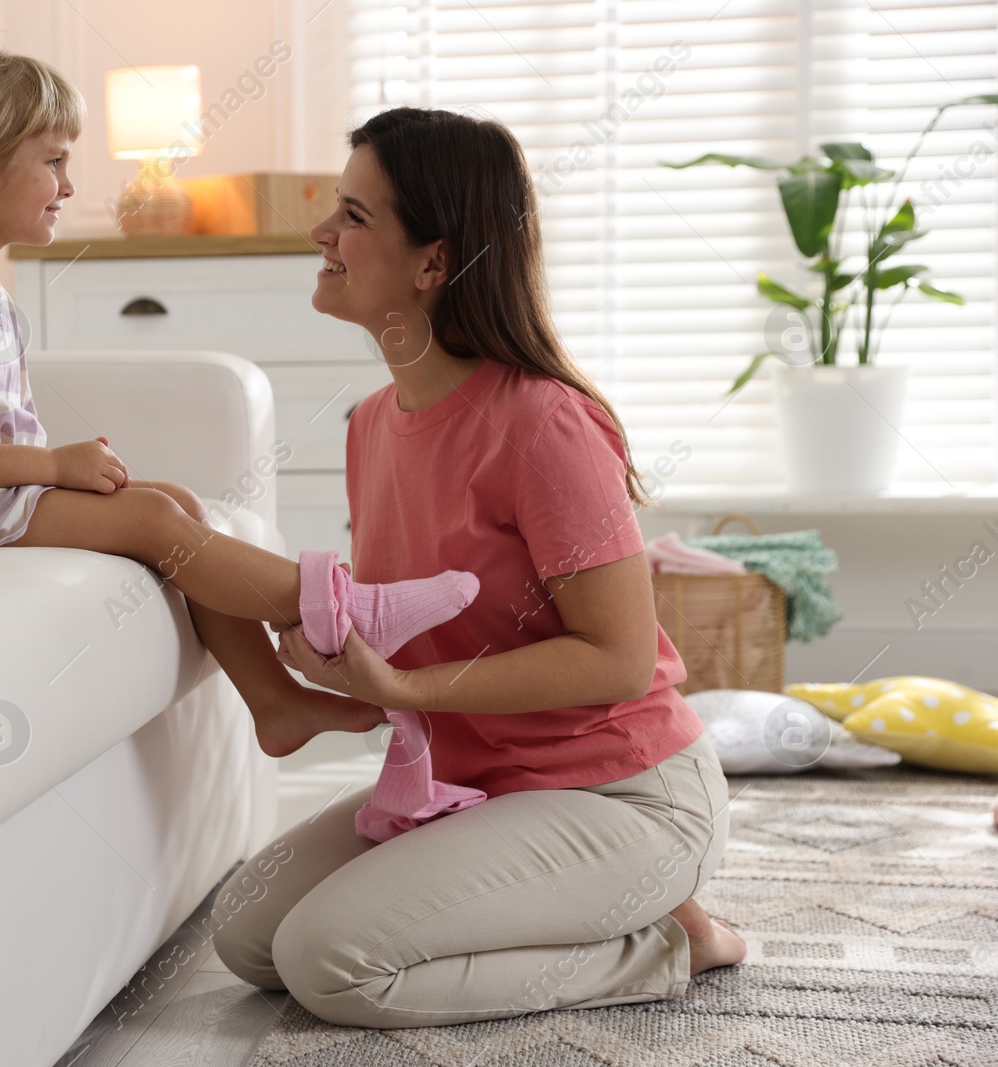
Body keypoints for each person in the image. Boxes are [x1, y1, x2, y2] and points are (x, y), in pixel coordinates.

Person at [210, 107, 747, 1028]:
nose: (322, 234)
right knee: (248, 935)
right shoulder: (372, 424)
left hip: (622, 795)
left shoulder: (544, 424)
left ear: (432, 263)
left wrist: (407, 687)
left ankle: (664, 939)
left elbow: (618, 658)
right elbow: (413, 608)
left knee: (328, 961)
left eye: (354, 216)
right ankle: (559, 905)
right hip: (481, 787)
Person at [0, 36, 479, 756]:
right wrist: (52, 467)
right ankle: (346, 604)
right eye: (53, 161)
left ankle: (274, 699)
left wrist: (53, 470)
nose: (70, 186)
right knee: (155, 519)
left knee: (178, 505)